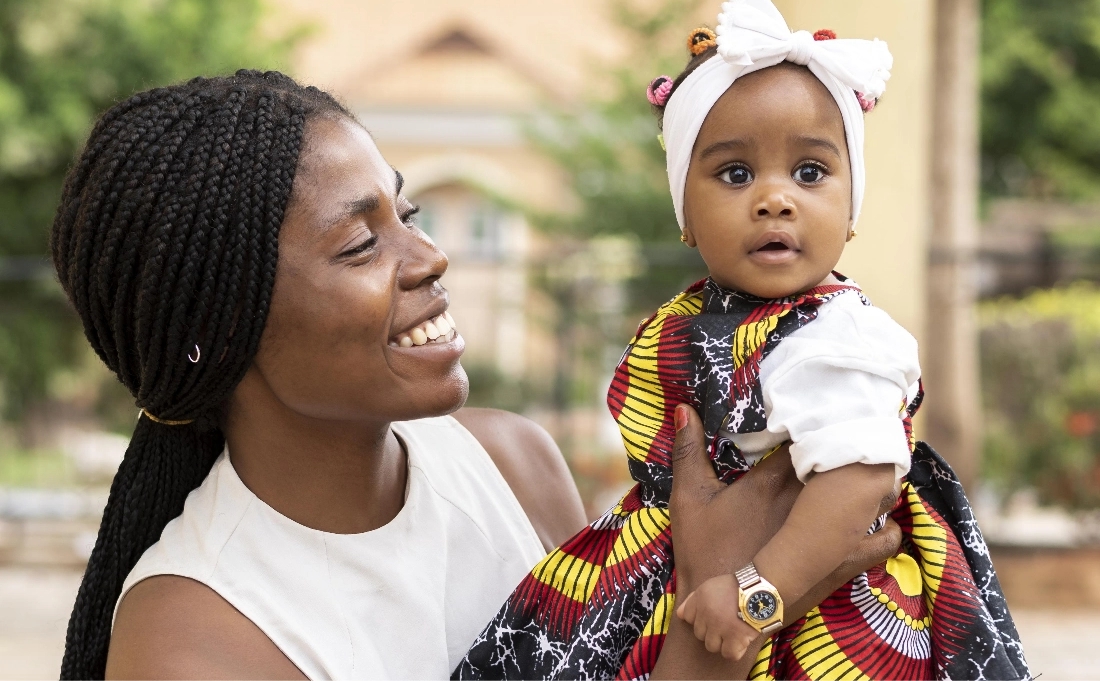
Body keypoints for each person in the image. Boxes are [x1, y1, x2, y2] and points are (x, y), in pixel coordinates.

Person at [49, 69, 900, 680]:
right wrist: (725, 627)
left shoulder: (510, 463)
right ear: (220, 326)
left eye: (407, 212)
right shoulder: (192, 636)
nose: (431, 255)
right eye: (361, 243)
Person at [455, 2, 1030, 679]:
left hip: (809, 594)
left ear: (851, 209)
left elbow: (859, 480)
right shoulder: (704, 313)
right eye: (735, 174)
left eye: (810, 172)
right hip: (679, 559)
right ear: (686, 215)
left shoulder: (837, 333)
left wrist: (760, 594)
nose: (774, 199)